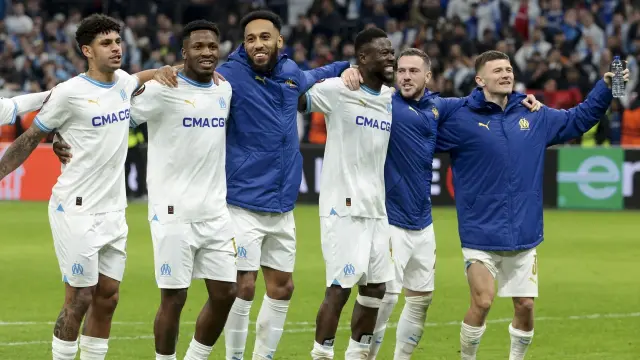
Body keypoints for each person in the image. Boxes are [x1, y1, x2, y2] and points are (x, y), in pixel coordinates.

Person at [339, 48, 540, 360]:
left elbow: (484, 100)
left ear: (428, 76)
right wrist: (348, 70)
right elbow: (349, 91)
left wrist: (520, 101)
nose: (405, 76)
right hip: (387, 218)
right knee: (387, 297)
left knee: (420, 300)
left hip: (422, 221)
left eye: (413, 71)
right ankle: (360, 354)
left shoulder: (439, 107)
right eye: (400, 70)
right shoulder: (383, 101)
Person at [433, 50, 630, 360]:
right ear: (479, 79)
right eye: (497, 70)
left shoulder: (533, 114)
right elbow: (419, 136)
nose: (505, 74)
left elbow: (578, 119)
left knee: (525, 306)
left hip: (523, 233)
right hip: (480, 232)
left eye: (508, 69)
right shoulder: (459, 117)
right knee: (483, 302)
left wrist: (605, 87)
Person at [0, 14, 175, 360]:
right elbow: (31, 137)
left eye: (117, 42)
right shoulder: (69, 93)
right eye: (106, 43)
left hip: (114, 209)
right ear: (87, 51)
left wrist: (161, 71)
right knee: (79, 297)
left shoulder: (123, 82)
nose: (115, 48)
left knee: (108, 295)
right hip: (75, 208)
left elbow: (136, 78)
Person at [215, 10, 360, 360]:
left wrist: (346, 66)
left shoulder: (292, 73)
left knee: (282, 288)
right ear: (243, 44)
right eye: (250, 39)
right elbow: (190, 77)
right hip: (242, 202)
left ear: (279, 40)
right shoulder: (229, 75)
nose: (257, 44)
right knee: (243, 286)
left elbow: (317, 74)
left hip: (282, 205)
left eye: (265, 37)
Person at [127, 20, 237, 360]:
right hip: (173, 212)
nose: (206, 52)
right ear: (184, 52)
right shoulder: (163, 88)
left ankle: (196, 357)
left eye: (211, 46)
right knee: (174, 298)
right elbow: (119, 113)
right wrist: (151, 74)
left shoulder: (224, 89)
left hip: (215, 212)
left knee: (226, 293)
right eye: (198, 47)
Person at [297, 27, 396, 360]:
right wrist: (341, 68)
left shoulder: (389, 98)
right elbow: (297, 95)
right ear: (363, 58)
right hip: (343, 207)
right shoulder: (339, 89)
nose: (391, 57)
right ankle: (321, 355)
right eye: (383, 52)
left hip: (377, 209)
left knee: (375, 289)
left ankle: (356, 355)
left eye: (392, 51)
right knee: (339, 289)